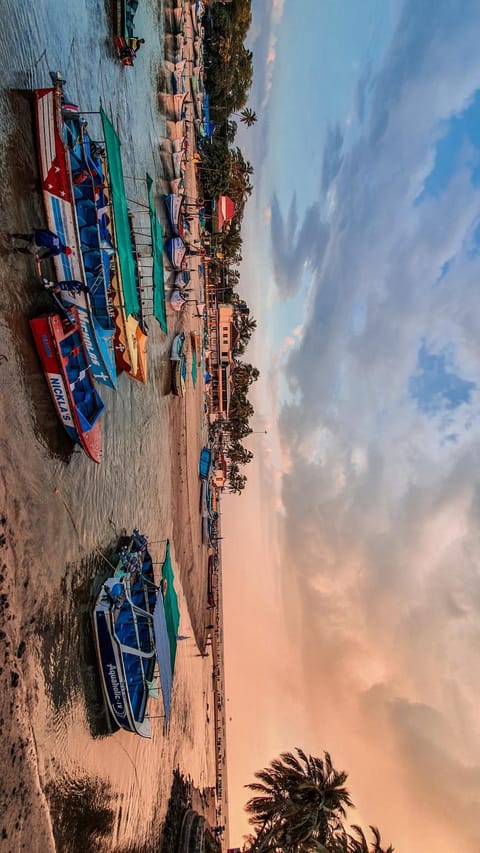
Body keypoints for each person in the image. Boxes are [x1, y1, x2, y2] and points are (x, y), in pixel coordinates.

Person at [5, 229, 72, 260]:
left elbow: (48, 231)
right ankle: (14, 250)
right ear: (64, 252)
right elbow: (48, 254)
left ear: (66, 246)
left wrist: (37, 230)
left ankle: (11, 236)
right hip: (39, 241)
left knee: (25, 237)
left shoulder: (58, 239)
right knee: (30, 252)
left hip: (39, 234)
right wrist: (40, 258)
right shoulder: (58, 251)